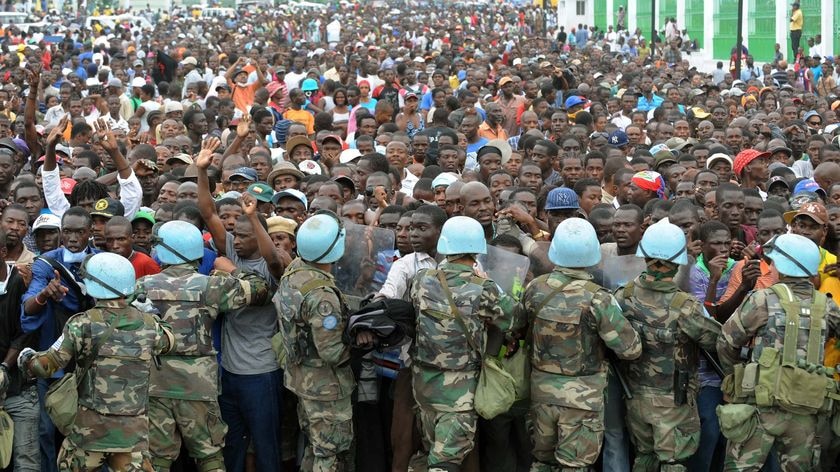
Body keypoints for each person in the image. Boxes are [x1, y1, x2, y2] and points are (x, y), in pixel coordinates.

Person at [18, 252, 174, 471]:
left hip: (89, 433)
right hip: (131, 435)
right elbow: (169, 341)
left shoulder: (82, 324)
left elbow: (48, 365)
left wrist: (27, 359)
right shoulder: (148, 324)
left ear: (94, 284)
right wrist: (150, 312)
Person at [136, 220, 271, 471]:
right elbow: (261, 290)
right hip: (198, 385)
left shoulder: (143, 286)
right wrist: (231, 269)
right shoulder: (211, 286)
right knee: (209, 456)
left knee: (156, 458)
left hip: (155, 383)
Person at [522, 218, 641, 471]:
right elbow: (630, 350)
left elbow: (517, 329)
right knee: (575, 465)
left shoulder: (534, 288)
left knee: (542, 462)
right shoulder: (598, 298)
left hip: (541, 393)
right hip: (583, 399)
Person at [717, 233, 840, 470]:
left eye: (772, 263)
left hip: (759, 406)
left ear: (781, 268)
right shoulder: (827, 306)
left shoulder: (762, 300)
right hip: (805, 410)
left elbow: (726, 342)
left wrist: (734, 376)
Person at [409, 216, 514, 472]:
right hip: (460, 390)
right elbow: (513, 317)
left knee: (429, 451)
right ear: (478, 249)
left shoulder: (422, 279)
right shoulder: (484, 287)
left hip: (424, 384)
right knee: (445, 462)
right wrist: (489, 282)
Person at [614, 221, 721, 471]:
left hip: (635, 397)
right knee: (672, 462)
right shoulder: (686, 306)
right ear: (677, 263)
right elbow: (716, 340)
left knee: (644, 457)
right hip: (674, 402)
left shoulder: (623, 295)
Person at [274, 211, 354, 471]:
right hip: (325, 387)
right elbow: (332, 352)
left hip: (301, 378)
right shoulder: (322, 295)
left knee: (315, 447)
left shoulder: (294, 272)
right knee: (330, 453)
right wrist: (360, 344)